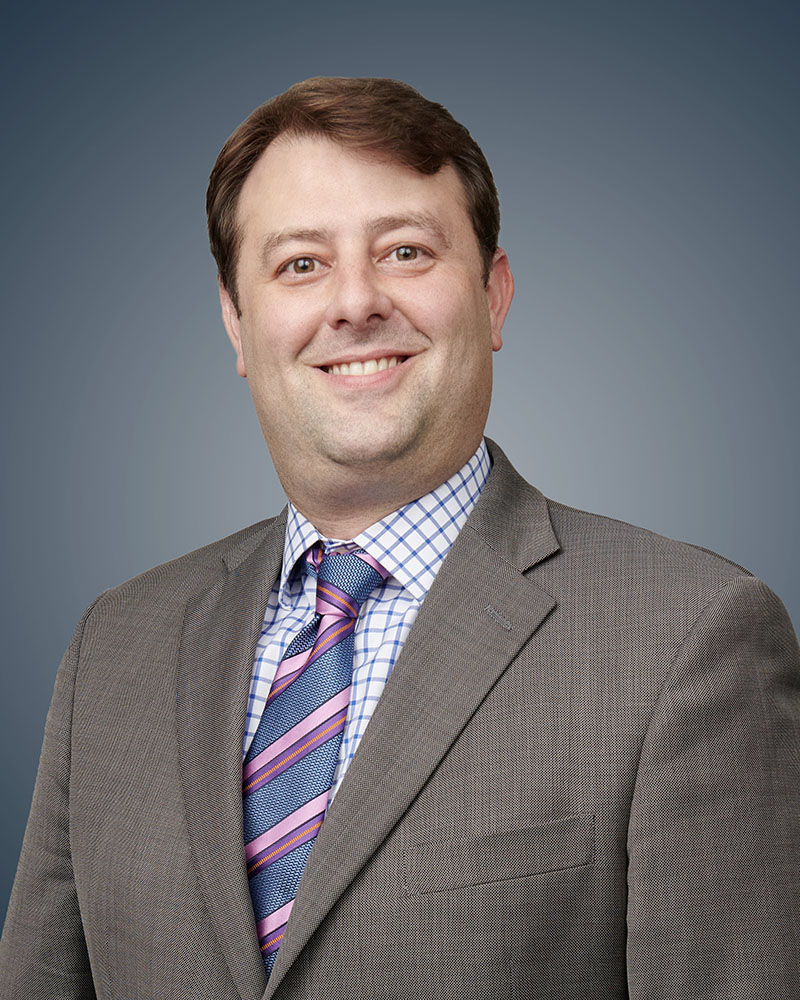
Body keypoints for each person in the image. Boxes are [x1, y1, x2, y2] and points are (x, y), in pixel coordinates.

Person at [1, 76, 798, 1000]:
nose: (355, 303)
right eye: (300, 264)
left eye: (407, 251)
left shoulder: (689, 639)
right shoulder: (115, 644)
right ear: (236, 320)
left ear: (494, 296)